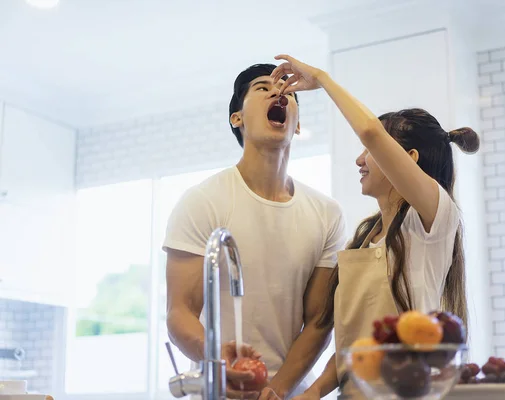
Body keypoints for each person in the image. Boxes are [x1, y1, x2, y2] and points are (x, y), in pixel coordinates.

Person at [268, 55, 480, 399]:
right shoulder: (366, 237)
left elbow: (369, 129)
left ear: (407, 159)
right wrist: (309, 394)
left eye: (370, 150)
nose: (360, 159)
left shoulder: (434, 217)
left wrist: (321, 78)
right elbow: (353, 348)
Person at [163, 63, 346, 400]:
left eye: (288, 91)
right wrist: (217, 360)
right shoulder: (202, 201)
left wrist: (276, 390)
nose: (278, 92)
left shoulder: (326, 213)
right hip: (222, 390)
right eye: (263, 88)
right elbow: (180, 312)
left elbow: (319, 320)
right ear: (237, 118)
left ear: (298, 123)